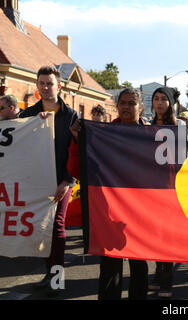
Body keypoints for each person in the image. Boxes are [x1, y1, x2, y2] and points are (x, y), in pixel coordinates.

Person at [68, 88, 149, 300]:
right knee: (109, 268)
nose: (126, 107)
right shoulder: (100, 134)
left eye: (131, 103)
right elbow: (79, 171)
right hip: (109, 211)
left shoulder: (153, 137)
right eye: (122, 102)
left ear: (140, 108)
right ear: (116, 106)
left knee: (139, 266)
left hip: (140, 213)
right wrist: (78, 141)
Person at [19, 66, 78, 295]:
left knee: (58, 225)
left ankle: (57, 278)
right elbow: (18, 147)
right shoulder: (28, 114)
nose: (45, 87)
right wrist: (36, 125)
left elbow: (76, 150)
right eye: (42, 83)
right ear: (37, 85)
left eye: (50, 83)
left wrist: (67, 180)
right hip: (37, 181)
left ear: (59, 86)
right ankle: (49, 272)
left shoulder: (71, 115)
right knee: (41, 228)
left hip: (63, 180)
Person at [149, 86, 181, 298]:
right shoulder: (147, 127)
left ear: (170, 103)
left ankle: (167, 280)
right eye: (156, 99)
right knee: (155, 234)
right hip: (151, 187)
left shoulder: (179, 128)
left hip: (172, 188)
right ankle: (158, 272)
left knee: (168, 236)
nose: (159, 103)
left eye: (163, 99)